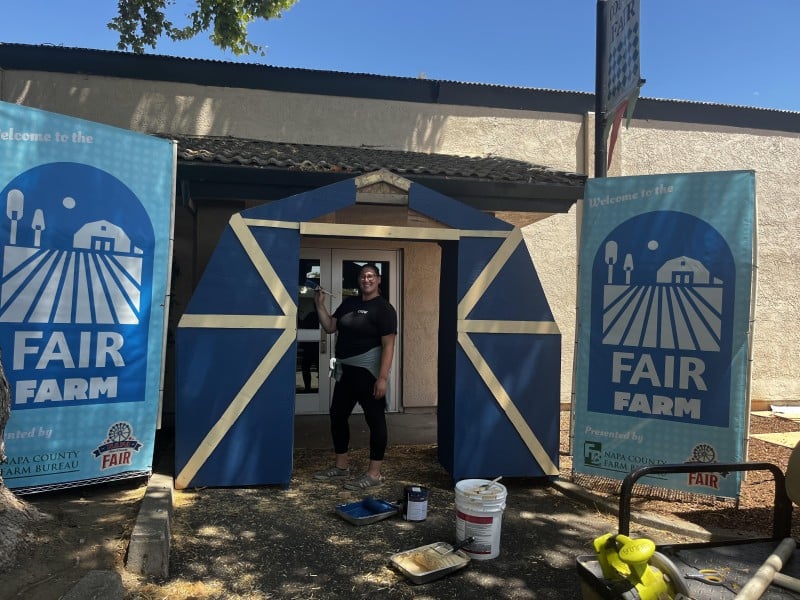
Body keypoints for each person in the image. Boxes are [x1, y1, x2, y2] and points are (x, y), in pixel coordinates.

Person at [312, 263, 397, 490]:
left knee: (375, 421)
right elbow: (330, 326)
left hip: (368, 375)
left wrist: (383, 378)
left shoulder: (384, 309)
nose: (366, 279)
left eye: (370, 276)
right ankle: (341, 467)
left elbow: (388, 346)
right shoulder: (350, 303)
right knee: (337, 416)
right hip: (345, 373)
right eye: (362, 276)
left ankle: (374, 474)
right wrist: (319, 305)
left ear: (378, 280)